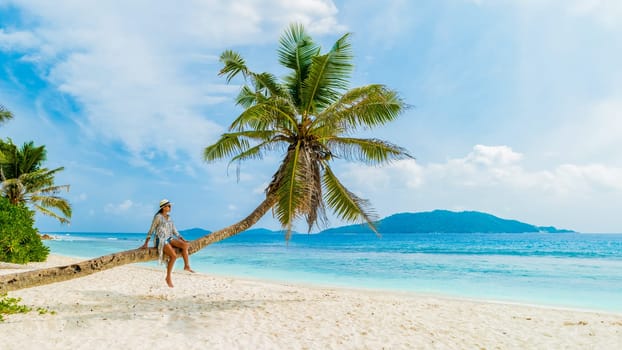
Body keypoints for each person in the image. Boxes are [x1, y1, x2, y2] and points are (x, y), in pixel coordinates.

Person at [141, 199, 194, 288]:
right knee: (173, 256)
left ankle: (186, 266)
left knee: (185, 245)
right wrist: (146, 243)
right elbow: (151, 229)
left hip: (169, 238)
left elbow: (174, 230)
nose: (170, 207)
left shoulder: (169, 218)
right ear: (164, 207)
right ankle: (168, 277)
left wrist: (182, 239)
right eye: (169, 206)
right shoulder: (158, 217)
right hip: (160, 240)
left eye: (170, 206)